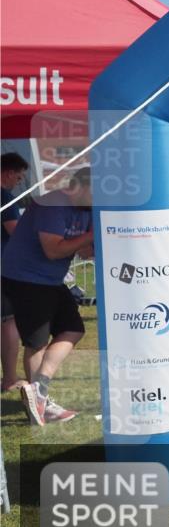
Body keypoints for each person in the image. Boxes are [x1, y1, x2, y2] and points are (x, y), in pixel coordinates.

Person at [0, 168, 94, 425]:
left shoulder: (87, 209)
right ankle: (39, 402)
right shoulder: (52, 204)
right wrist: (89, 237)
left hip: (50, 279)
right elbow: (53, 250)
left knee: (73, 329)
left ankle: (38, 394)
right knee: (37, 343)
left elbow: (85, 252)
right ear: (80, 188)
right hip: (24, 277)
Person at [1, 152, 29, 391]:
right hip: (4, 268)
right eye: (18, 178)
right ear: (9, 173)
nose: (18, 182)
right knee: (9, 321)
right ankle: (9, 378)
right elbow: (16, 233)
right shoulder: (4, 198)